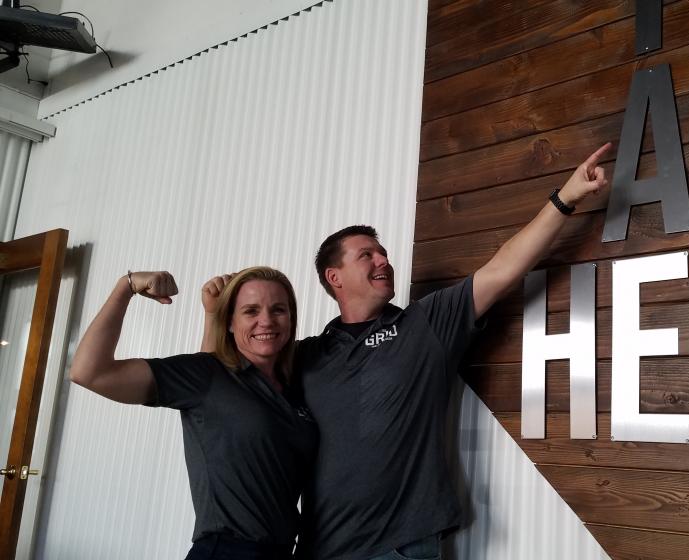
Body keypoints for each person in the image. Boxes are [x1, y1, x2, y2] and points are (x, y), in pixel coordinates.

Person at [202, 143, 612, 560]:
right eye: (367, 255)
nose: (383, 260)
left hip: (399, 549)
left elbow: (504, 268)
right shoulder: (306, 356)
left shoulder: (424, 326)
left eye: (383, 253)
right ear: (334, 277)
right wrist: (215, 316)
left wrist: (566, 197)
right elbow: (219, 393)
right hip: (317, 550)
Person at [70, 267, 318, 560]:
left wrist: (212, 314)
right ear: (230, 322)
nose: (266, 320)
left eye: (278, 309)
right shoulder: (206, 374)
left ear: (291, 318)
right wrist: (125, 287)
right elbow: (89, 372)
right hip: (228, 551)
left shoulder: (294, 387)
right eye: (250, 311)